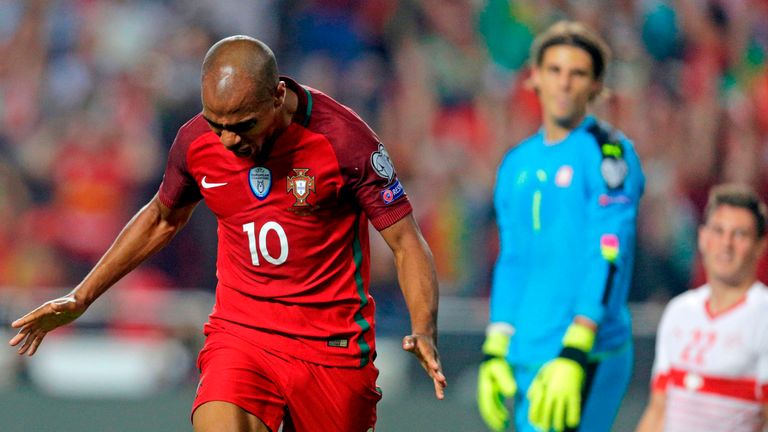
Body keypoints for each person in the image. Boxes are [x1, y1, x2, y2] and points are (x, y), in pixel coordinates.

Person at [8, 35, 447, 432]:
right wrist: (80, 297)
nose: (227, 141)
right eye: (216, 123)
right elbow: (162, 217)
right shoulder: (196, 142)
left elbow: (406, 242)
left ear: (277, 96)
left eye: (242, 125)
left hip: (330, 345)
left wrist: (423, 328)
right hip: (242, 333)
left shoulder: (345, 141)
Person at [477, 21, 645, 432]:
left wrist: (577, 348)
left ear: (596, 85)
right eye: (554, 70)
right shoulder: (516, 161)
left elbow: (609, 253)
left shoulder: (609, 153)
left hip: (583, 356)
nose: (564, 83)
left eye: (578, 73)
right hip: (526, 352)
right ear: (533, 77)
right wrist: (496, 346)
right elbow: (513, 258)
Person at [635, 184, 768, 432]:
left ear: (760, 245)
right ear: (703, 237)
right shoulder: (679, 311)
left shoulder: (763, 316)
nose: (726, 244)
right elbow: (658, 410)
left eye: (740, 234)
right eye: (718, 231)